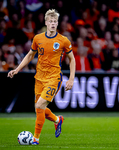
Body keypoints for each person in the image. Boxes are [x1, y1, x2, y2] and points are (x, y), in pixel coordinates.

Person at [7, 9, 76, 145]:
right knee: (39, 109)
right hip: (39, 77)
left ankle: (35, 139)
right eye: (50, 21)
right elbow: (30, 55)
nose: (53, 23)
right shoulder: (38, 38)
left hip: (54, 78)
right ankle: (57, 120)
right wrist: (17, 69)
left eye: (55, 21)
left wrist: (71, 79)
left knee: (39, 105)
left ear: (57, 23)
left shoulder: (63, 40)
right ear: (46, 22)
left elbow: (72, 59)